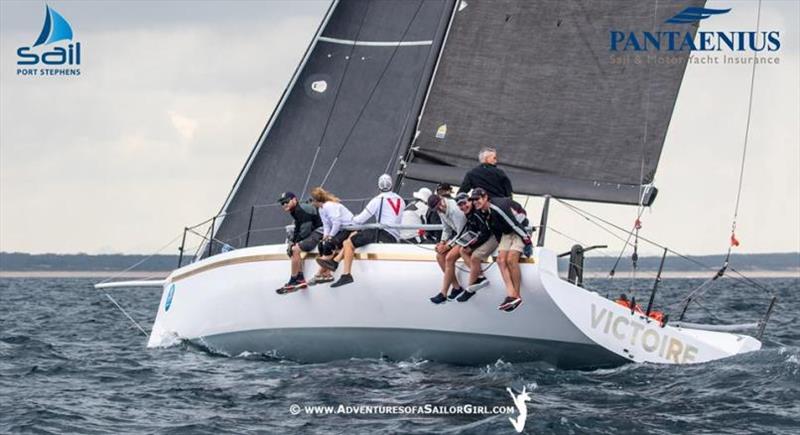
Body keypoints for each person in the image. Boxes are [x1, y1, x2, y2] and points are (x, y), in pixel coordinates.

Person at [317, 174, 405, 288]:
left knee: (348, 243)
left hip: (383, 234)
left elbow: (360, 220)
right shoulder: (400, 200)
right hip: (394, 237)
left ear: (379, 186)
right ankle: (335, 261)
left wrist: (350, 219)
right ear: (391, 185)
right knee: (354, 234)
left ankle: (346, 274)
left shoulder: (378, 200)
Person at [473, 189, 533, 312]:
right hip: (506, 232)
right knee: (501, 260)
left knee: (511, 259)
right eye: (473, 200)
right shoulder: (483, 211)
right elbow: (494, 229)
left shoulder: (498, 207)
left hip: (519, 228)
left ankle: (516, 295)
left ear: (485, 198)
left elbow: (515, 225)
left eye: (477, 199)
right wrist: (501, 246)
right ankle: (510, 294)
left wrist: (527, 242)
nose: (475, 202)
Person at [454, 188, 497, 303]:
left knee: (475, 256)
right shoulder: (469, 214)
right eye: (460, 205)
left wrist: (473, 244)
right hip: (483, 236)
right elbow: (472, 229)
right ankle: (480, 276)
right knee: (462, 250)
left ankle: (470, 289)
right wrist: (467, 241)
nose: (463, 207)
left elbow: (486, 233)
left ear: (470, 201)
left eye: (465, 203)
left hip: (493, 236)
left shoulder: (476, 213)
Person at [276, 191, 323, 294]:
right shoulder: (295, 210)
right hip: (315, 230)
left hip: (321, 231)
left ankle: (293, 280)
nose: (284, 205)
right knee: (294, 247)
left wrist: (294, 244)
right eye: (282, 203)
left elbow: (306, 230)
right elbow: (298, 228)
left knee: (295, 249)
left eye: (286, 202)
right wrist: (292, 241)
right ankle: (300, 277)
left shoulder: (301, 209)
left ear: (294, 200)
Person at [428, 192, 467, 304]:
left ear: (441, 199)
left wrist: (448, 246)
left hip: (467, 235)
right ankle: (456, 287)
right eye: (436, 209)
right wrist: (442, 243)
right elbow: (446, 229)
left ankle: (443, 293)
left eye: (439, 206)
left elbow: (462, 232)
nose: (439, 209)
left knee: (449, 258)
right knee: (440, 256)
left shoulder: (455, 210)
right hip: (459, 236)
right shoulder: (441, 210)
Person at [310, 187, 354, 283]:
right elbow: (326, 225)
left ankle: (320, 272)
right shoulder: (321, 209)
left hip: (349, 227)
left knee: (330, 244)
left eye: (311, 200)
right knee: (322, 245)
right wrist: (326, 236)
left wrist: (331, 236)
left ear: (316, 200)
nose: (311, 202)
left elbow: (337, 223)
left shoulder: (329, 206)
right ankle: (327, 273)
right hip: (340, 229)